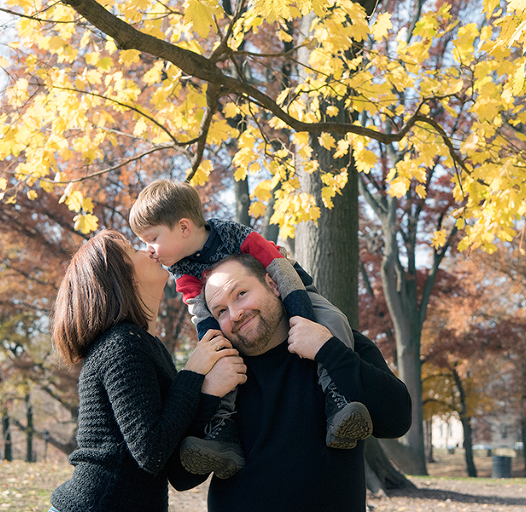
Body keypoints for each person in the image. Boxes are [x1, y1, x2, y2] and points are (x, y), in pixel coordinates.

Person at [129, 180, 373, 479]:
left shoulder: (233, 234)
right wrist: (217, 352)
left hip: (292, 291)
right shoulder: (182, 271)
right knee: (222, 364)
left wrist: (302, 318)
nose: (149, 250)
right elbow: (202, 316)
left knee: (333, 320)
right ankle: (222, 431)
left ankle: (337, 397)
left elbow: (280, 271)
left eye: (151, 238)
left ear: (183, 227)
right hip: (234, 322)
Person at [183, 253, 412, 512]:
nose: (235, 314)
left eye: (241, 294)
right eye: (221, 311)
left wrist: (328, 350)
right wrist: (209, 394)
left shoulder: (337, 341)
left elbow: (397, 420)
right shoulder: (215, 372)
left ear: (273, 284)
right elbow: (182, 477)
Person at [47, 230, 247, 512]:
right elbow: (151, 452)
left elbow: (177, 472)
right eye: (134, 250)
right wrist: (192, 373)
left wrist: (209, 392)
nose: (150, 251)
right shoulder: (121, 345)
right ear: (121, 278)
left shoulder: (147, 346)